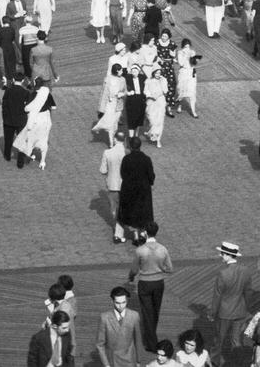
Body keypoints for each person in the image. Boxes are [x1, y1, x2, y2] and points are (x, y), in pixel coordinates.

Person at [128, 221, 174, 353]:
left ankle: (151, 343)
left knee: (147, 312)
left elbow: (134, 270)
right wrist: (160, 269)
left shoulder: (140, 250)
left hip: (145, 283)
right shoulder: (162, 249)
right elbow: (170, 268)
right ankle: (151, 336)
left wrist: (130, 277)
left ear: (145, 233)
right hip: (159, 283)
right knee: (155, 311)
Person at [209, 240, 254, 366]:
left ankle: (214, 362)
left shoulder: (223, 274)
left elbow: (217, 296)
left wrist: (212, 313)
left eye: (222, 253)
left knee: (219, 340)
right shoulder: (245, 271)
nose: (221, 256)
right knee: (236, 340)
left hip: (224, 313)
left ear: (228, 255)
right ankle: (238, 363)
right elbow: (248, 292)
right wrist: (246, 307)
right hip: (240, 311)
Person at [119, 136, 157, 238]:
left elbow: (123, 174)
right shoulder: (146, 159)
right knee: (143, 212)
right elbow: (151, 175)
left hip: (130, 189)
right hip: (143, 191)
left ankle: (135, 235)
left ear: (130, 147)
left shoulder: (126, 159)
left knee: (132, 211)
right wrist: (149, 183)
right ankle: (142, 233)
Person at [96, 286, 142, 367]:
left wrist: (138, 361)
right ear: (112, 301)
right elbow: (100, 344)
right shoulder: (104, 318)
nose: (121, 306)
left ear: (127, 301)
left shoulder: (134, 316)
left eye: (123, 302)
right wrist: (106, 365)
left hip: (130, 360)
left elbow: (138, 340)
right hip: (113, 361)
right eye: (118, 303)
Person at [100, 133, 127, 243]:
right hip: (125, 185)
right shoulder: (126, 153)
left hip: (112, 185)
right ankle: (121, 231)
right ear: (124, 140)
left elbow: (103, 170)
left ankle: (118, 230)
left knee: (114, 209)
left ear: (115, 139)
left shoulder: (107, 152)